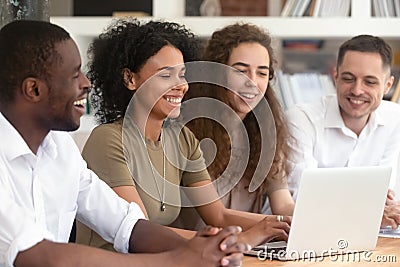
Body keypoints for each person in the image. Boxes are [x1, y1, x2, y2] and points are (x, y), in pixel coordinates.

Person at [0, 19, 248, 267]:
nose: (86, 84)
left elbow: (126, 224)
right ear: (33, 90)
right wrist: (177, 259)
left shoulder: (60, 148)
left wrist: (202, 248)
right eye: (74, 74)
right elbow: (39, 256)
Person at [76, 19, 291, 250]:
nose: (180, 85)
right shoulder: (108, 140)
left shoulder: (182, 139)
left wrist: (279, 224)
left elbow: (217, 215)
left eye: (182, 74)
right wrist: (237, 240)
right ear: (131, 79)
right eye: (166, 75)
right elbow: (140, 230)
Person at [175, 23, 294, 231]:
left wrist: (313, 220)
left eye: (262, 73)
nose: (253, 82)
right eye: (241, 71)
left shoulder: (266, 133)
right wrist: (276, 224)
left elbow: (283, 204)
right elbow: (216, 217)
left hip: (249, 250)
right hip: (195, 251)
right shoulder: (186, 131)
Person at [286, 34, 400, 229]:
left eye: (370, 82)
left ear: (387, 85)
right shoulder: (301, 119)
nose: (357, 90)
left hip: (371, 235)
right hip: (300, 234)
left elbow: (385, 197)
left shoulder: (395, 120)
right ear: (336, 76)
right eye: (348, 78)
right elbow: (303, 196)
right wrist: (367, 207)